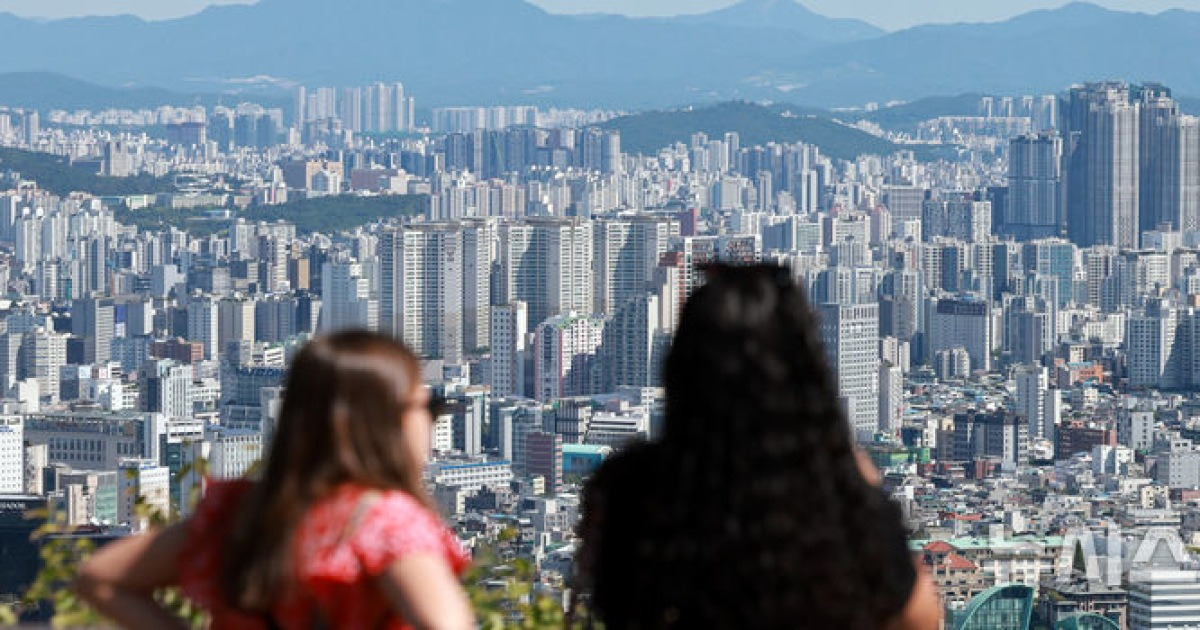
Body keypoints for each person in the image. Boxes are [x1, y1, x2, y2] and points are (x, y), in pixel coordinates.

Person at [577, 264, 941, 629]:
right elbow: (921, 616)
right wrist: (866, 488)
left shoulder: (633, 490)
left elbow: (610, 604)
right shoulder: (839, 503)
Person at [75, 331, 475, 630]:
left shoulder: (238, 516)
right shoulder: (387, 521)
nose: (432, 421)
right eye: (429, 407)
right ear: (386, 421)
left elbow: (100, 578)